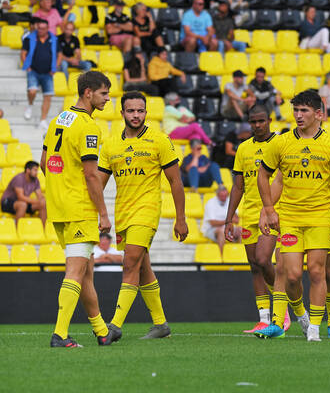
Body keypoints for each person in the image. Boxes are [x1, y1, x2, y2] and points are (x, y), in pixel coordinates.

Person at [255, 90, 330, 342]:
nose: (298, 115)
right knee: (292, 274)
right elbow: (266, 176)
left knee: (320, 272)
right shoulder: (282, 142)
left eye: (304, 110)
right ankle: (298, 316)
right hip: (289, 217)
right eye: (295, 110)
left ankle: (318, 329)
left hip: (320, 216)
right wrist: (268, 209)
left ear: (318, 114)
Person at [98, 91, 187, 341]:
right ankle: (161, 324)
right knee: (142, 267)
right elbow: (99, 183)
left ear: (146, 112)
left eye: (140, 110)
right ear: (122, 112)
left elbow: (175, 182)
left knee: (130, 263)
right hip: (123, 212)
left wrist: (181, 218)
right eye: (131, 110)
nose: (136, 115)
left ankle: (114, 326)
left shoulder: (160, 140)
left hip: (147, 210)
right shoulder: (111, 144)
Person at [40, 71, 117, 347]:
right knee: (75, 271)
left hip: (59, 206)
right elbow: (91, 174)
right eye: (104, 94)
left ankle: (101, 330)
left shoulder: (58, 119)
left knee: (85, 272)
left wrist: (60, 186)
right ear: (88, 93)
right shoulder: (88, 126)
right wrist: (104, 213)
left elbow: (44, 161)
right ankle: (60, 334)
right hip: (79, 208)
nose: (107, 99)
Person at [225, 104, 292, 333]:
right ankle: (264, 318)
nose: (257, 125)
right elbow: (238, 186)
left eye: (261, 121)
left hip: (272, 211)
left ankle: (281, 311)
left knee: (264, 260)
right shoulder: (243, 148)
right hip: (249, 213)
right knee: (254, 266)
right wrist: (229, 219)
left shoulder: (281, 144)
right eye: (253, 122)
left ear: (270, 120)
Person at [21, 18, 57, 130]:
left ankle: (43, 119)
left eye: (43, 28)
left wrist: (55, 67)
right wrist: (28, 67)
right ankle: (30, 105)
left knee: (48, 96)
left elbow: (59, 54)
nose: (40, 30)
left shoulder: (54, 39)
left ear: (47, 28)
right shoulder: (30, 38)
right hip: (34, 71)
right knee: (32, 91)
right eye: (39, 28)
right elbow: (23, 53)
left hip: (48, 73)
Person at [1, 161, 46, 225]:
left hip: (23, 202)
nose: (37, 172)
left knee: (43, 203)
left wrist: (42, 200)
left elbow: (40, 196)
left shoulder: (35, 180)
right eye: (35, 170)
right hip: (7, 202)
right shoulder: (19, 178)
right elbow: (20, 197)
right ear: (28, 170)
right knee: (22, 205)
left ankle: (42, 230)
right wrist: (37, 201)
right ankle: (19, 231)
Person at [203, 186, 240, 252]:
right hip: (211, 229)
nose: (224, 198)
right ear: (217, 195)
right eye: (222, 196)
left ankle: (240, 254)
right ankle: (221, 256)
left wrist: (227, 222)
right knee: (221, 231)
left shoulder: (230, 201)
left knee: (241, 230)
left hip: (226, 227)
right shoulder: (210, 203)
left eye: (225, 196)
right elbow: (213, 223)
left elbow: (237, 220)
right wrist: (228, 221)